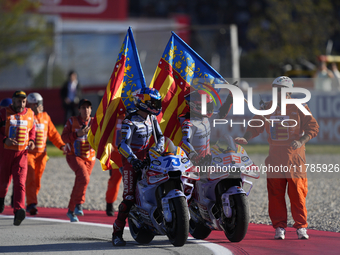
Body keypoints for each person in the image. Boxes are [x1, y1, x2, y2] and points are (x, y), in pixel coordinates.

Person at [235, 76, 319, 240]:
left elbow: (313, 127)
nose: (278, 92)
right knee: (275, 194)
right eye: (275, 89)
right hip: (274, 158)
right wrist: (246, 137)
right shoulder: (267, 108)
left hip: (295, 159)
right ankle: (279, 227)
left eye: (281, 89)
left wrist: (301, 140)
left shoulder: (300, 107)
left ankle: (301, 227)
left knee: (298, 194)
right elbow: (255, 126)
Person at [112, 87, 164, 246]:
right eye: (153, 102)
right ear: (143, 102)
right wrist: (133, 159)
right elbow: (122, 145)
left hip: (150, 159)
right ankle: (117, 233)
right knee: (128, 199)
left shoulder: (152, 119)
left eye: (157, 102)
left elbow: (160, 137)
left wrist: (157, 150)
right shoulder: (130, 120)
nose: (156, 106)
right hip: (131, 162)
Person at [25, 93, 65, 215]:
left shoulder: (45, 117)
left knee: (37, 180)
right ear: (31, 105)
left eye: (40, 104)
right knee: (30, 177)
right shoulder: (26, 116)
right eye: (35, 104)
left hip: (42, 154)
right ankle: (31, 203)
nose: (39, 107)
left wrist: (62, 146)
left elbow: (53, 134)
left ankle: (30, 199)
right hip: (28, 154)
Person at [0, 91, 35, 226]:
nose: (21, 104)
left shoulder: (30, 114)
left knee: (20, 183)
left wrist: (31, 141)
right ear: (13, 101)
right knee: (3, 184)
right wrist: (4, 140)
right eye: (18, 101)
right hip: (4, 154)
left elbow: (32, 130)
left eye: (23, 101)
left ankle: (19, 210)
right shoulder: (3, 113)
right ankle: (1, 199)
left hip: (22, 155)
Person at [61, 98, 95, 222]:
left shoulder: (95, 122)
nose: (86, 110)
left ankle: (71, 210)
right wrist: (77, 134)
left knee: (81, 181)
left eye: (88, 107)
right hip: (74, 156)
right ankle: (79, 204)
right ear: (79, 109)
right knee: (84, 177)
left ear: (91, 109)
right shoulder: (72, 121)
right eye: (83, 107)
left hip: (90, 157)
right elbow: (63, 138)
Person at [179, 89, 233, 165]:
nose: (209, 109)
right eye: (206, 106)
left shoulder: (205, 117)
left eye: (209, 105)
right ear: (195, 106)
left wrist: (230, 98)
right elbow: (184, 143)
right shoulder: (189, 123)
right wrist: (195, 157)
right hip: (194, 164)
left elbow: (221, 114)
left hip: (208, 161)